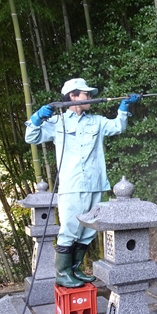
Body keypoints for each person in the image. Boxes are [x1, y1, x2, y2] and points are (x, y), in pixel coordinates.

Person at [25, 78, 140, 288]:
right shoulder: (57, 122)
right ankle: (62, 273)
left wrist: (124, 107)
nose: (90, 98)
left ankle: (75, 269)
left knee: (88, 230)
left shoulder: (95, 120)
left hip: (96, 183)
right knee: (70, 228)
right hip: (72, 185)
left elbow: (117, 127)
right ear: (73, 96)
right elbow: (31, 137)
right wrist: (37, 118)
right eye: (87, 94)